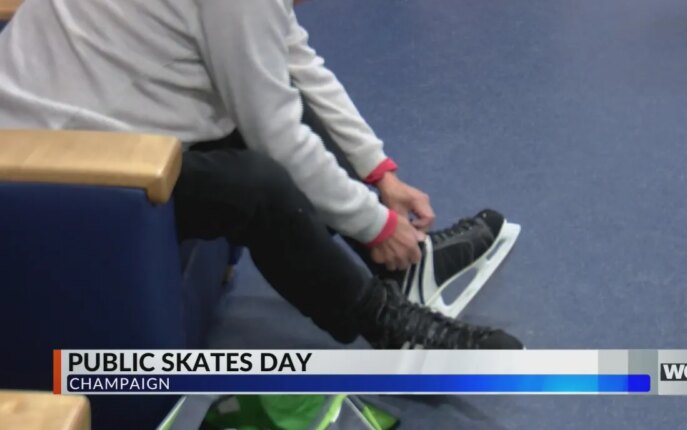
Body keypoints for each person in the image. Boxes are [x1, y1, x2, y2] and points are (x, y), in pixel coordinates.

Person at [0, 0, 522, 348]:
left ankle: (407, 267)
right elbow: (276, 134)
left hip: (93, 125)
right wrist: (376, 225)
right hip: (48, 173)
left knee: (265, 104)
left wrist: (377, 172)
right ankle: (384, 324)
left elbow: (293, 58)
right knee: (256, 184)